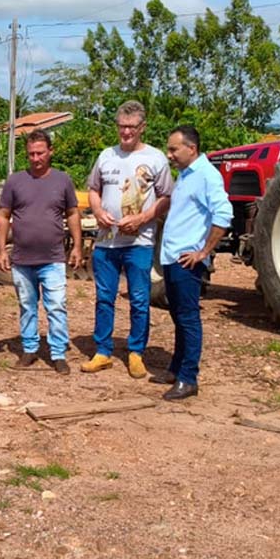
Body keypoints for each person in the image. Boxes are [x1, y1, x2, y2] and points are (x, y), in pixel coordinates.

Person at [81, 100, 173, 378]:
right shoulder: (106, 156)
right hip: (106, 242)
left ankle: (136, 352)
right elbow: (93, 189)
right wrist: (98, 211)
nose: (126, 132)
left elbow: (166, 197)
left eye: (131, 127)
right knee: (104, 298)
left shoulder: (156, 158)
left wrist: (142, 219)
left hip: (139, 243)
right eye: (121, 126)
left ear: (142, 127)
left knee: (139, 299)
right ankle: (103, 351)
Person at [0, 129, 82, 374]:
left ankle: (58, 353)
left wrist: (77, 246)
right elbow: (3, 216)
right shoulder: (15, 181)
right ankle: (30, 349)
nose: (36, 158)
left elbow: (72, 213)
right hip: (22, 260)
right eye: (31, 154)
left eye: (40, 153)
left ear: (50, 152)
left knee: (56, 306)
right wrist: (1, 250)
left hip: (53, 258)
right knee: (27, 306)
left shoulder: (62, 180)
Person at [156, 125, 233, 400]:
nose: (169, 155)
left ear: (191, 148)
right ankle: (176, 368)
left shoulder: (206, 175)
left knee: (188, 317)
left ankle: (188, 378)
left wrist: (203, 252)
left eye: (174, 149)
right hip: (172, 257)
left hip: (187, 261)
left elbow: (223, 214)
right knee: (178, 315)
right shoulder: (186, 174)